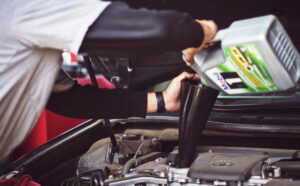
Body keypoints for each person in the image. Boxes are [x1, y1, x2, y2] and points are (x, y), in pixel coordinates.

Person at [0, 0, 217, 161]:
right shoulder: (24, 8)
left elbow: (66, 99)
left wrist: (162, 101)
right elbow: (154, 29)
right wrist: (204, 31)